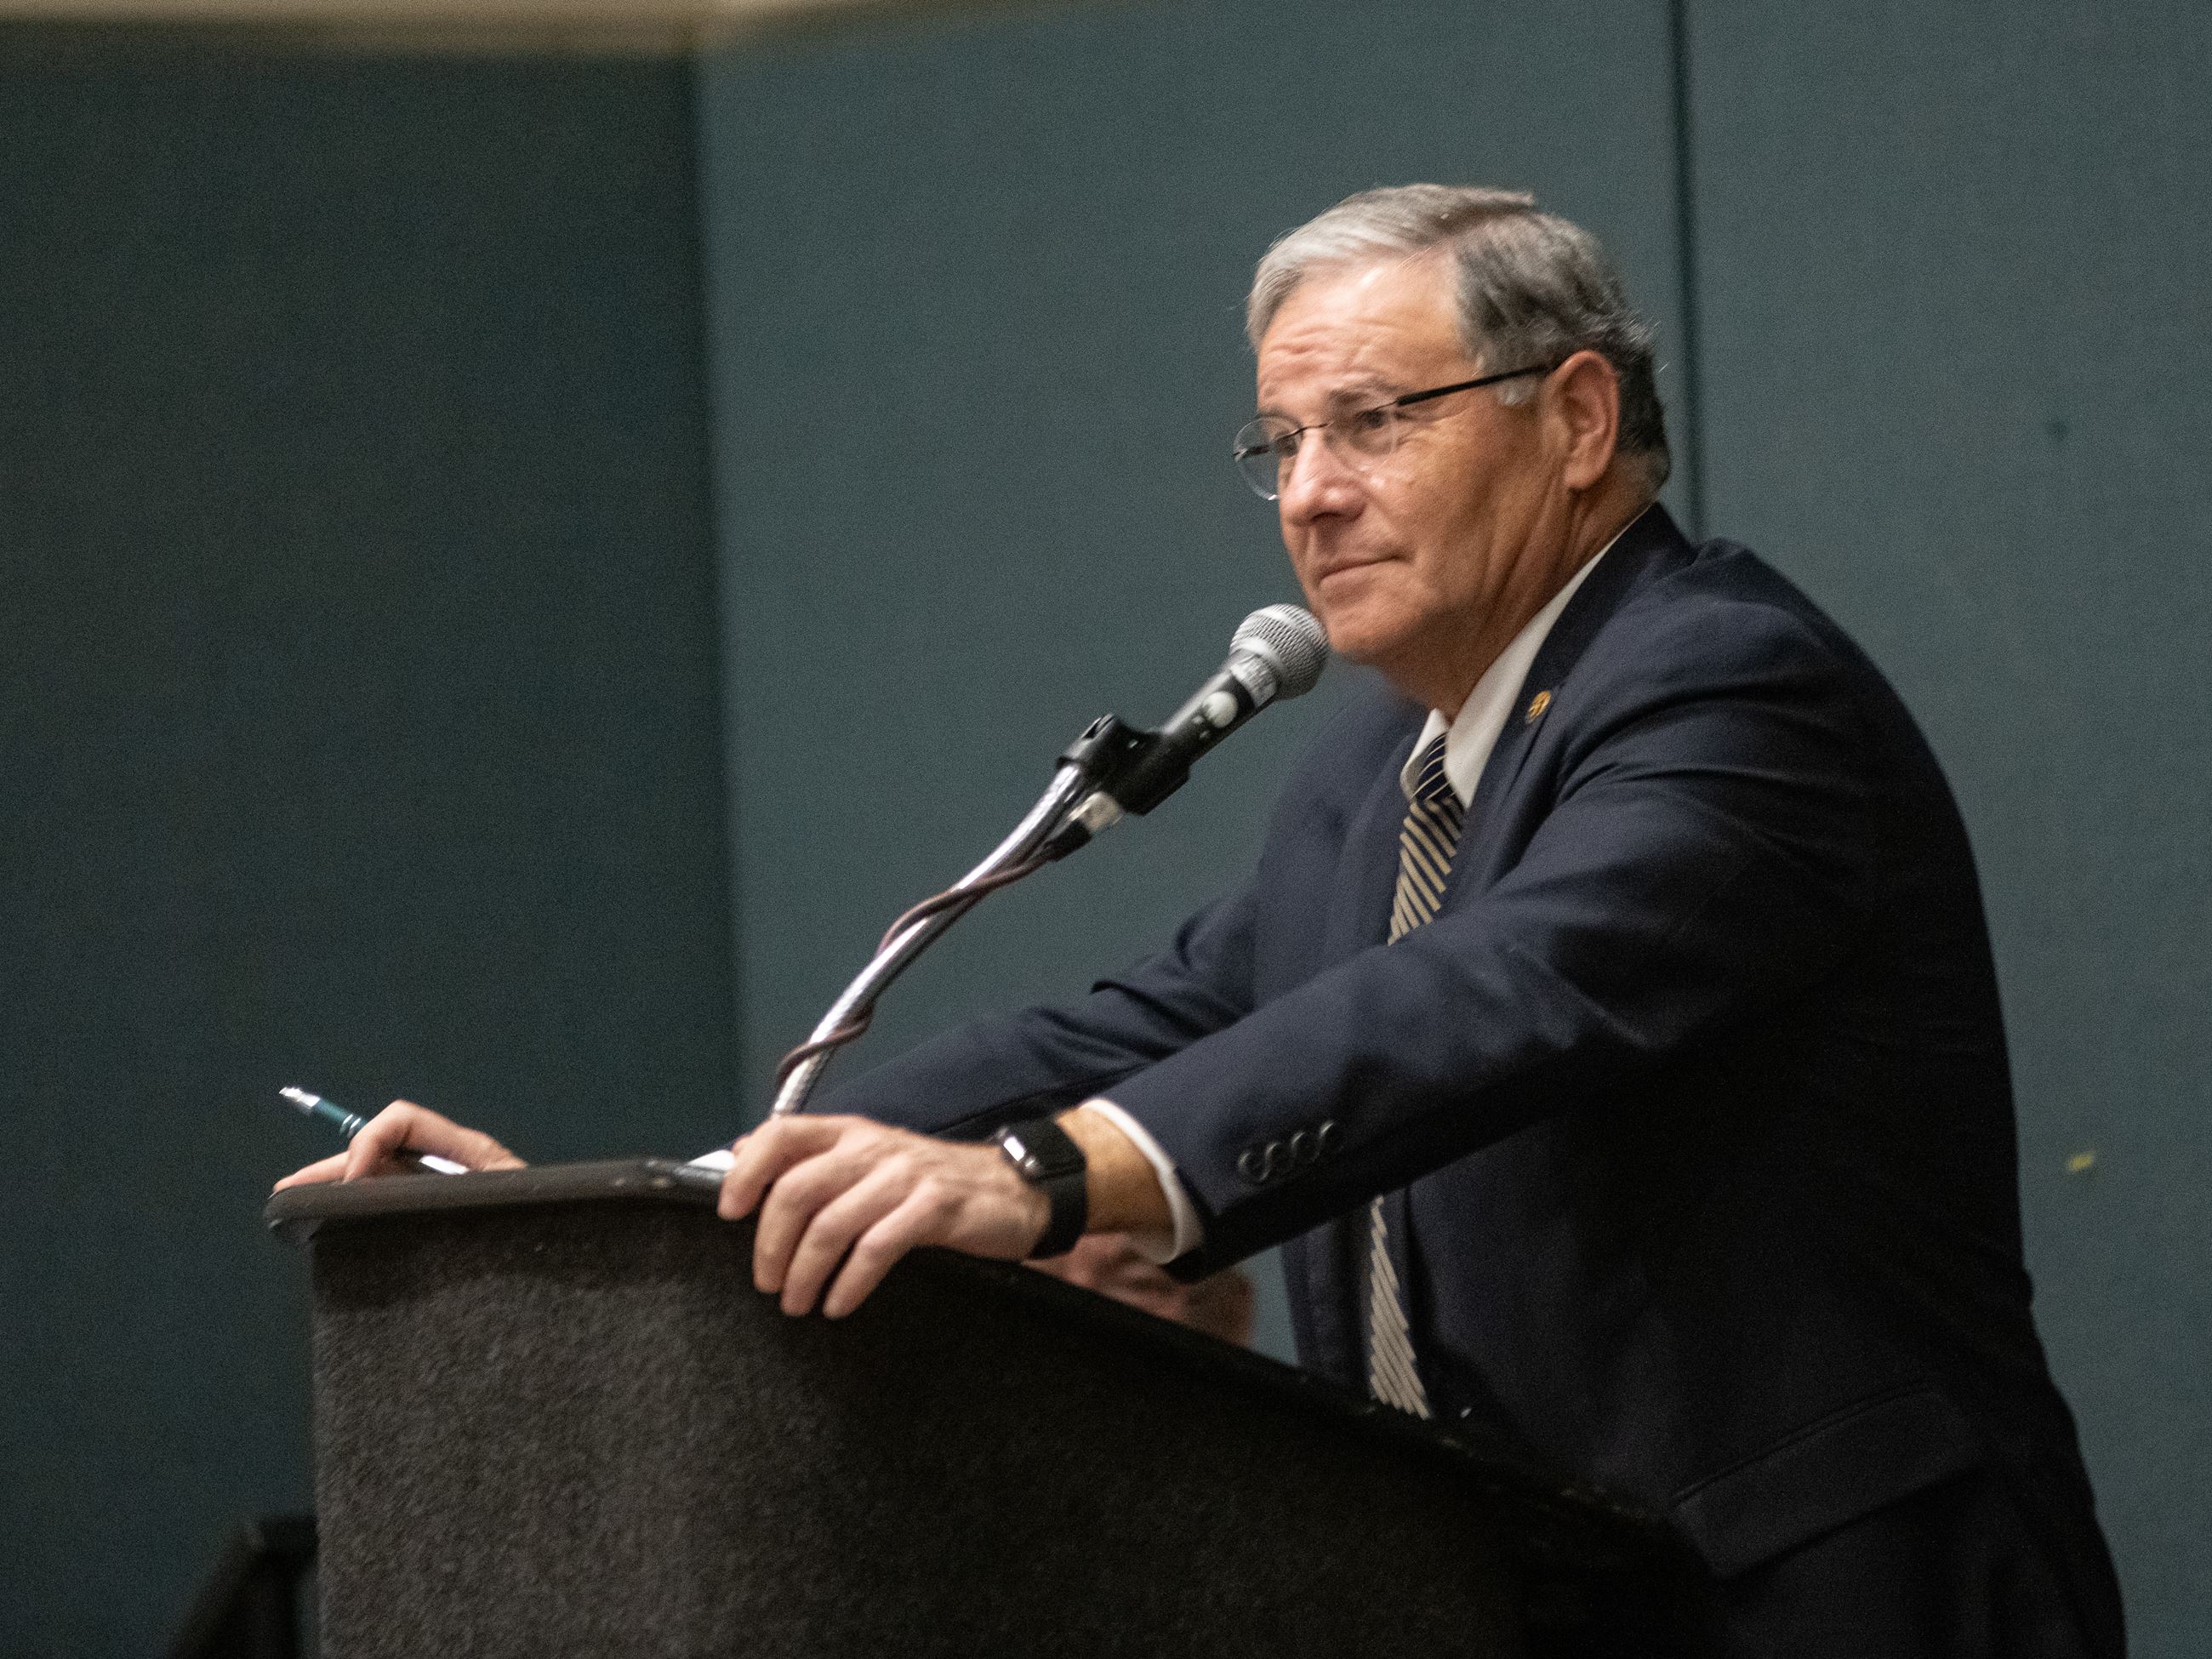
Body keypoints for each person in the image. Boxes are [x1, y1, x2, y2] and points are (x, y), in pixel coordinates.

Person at [282, 185, 2123, 1656]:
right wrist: (669, 1215)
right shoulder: (1369, 774)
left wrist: (1050, 1182)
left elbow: (1500, 996)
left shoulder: (1728, 693)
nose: (1311, 493)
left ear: (1574, 420)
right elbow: (1138, 1028)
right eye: (1281, 443)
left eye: (1373, 424)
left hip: (1819, 1598)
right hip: (1500, 1598)